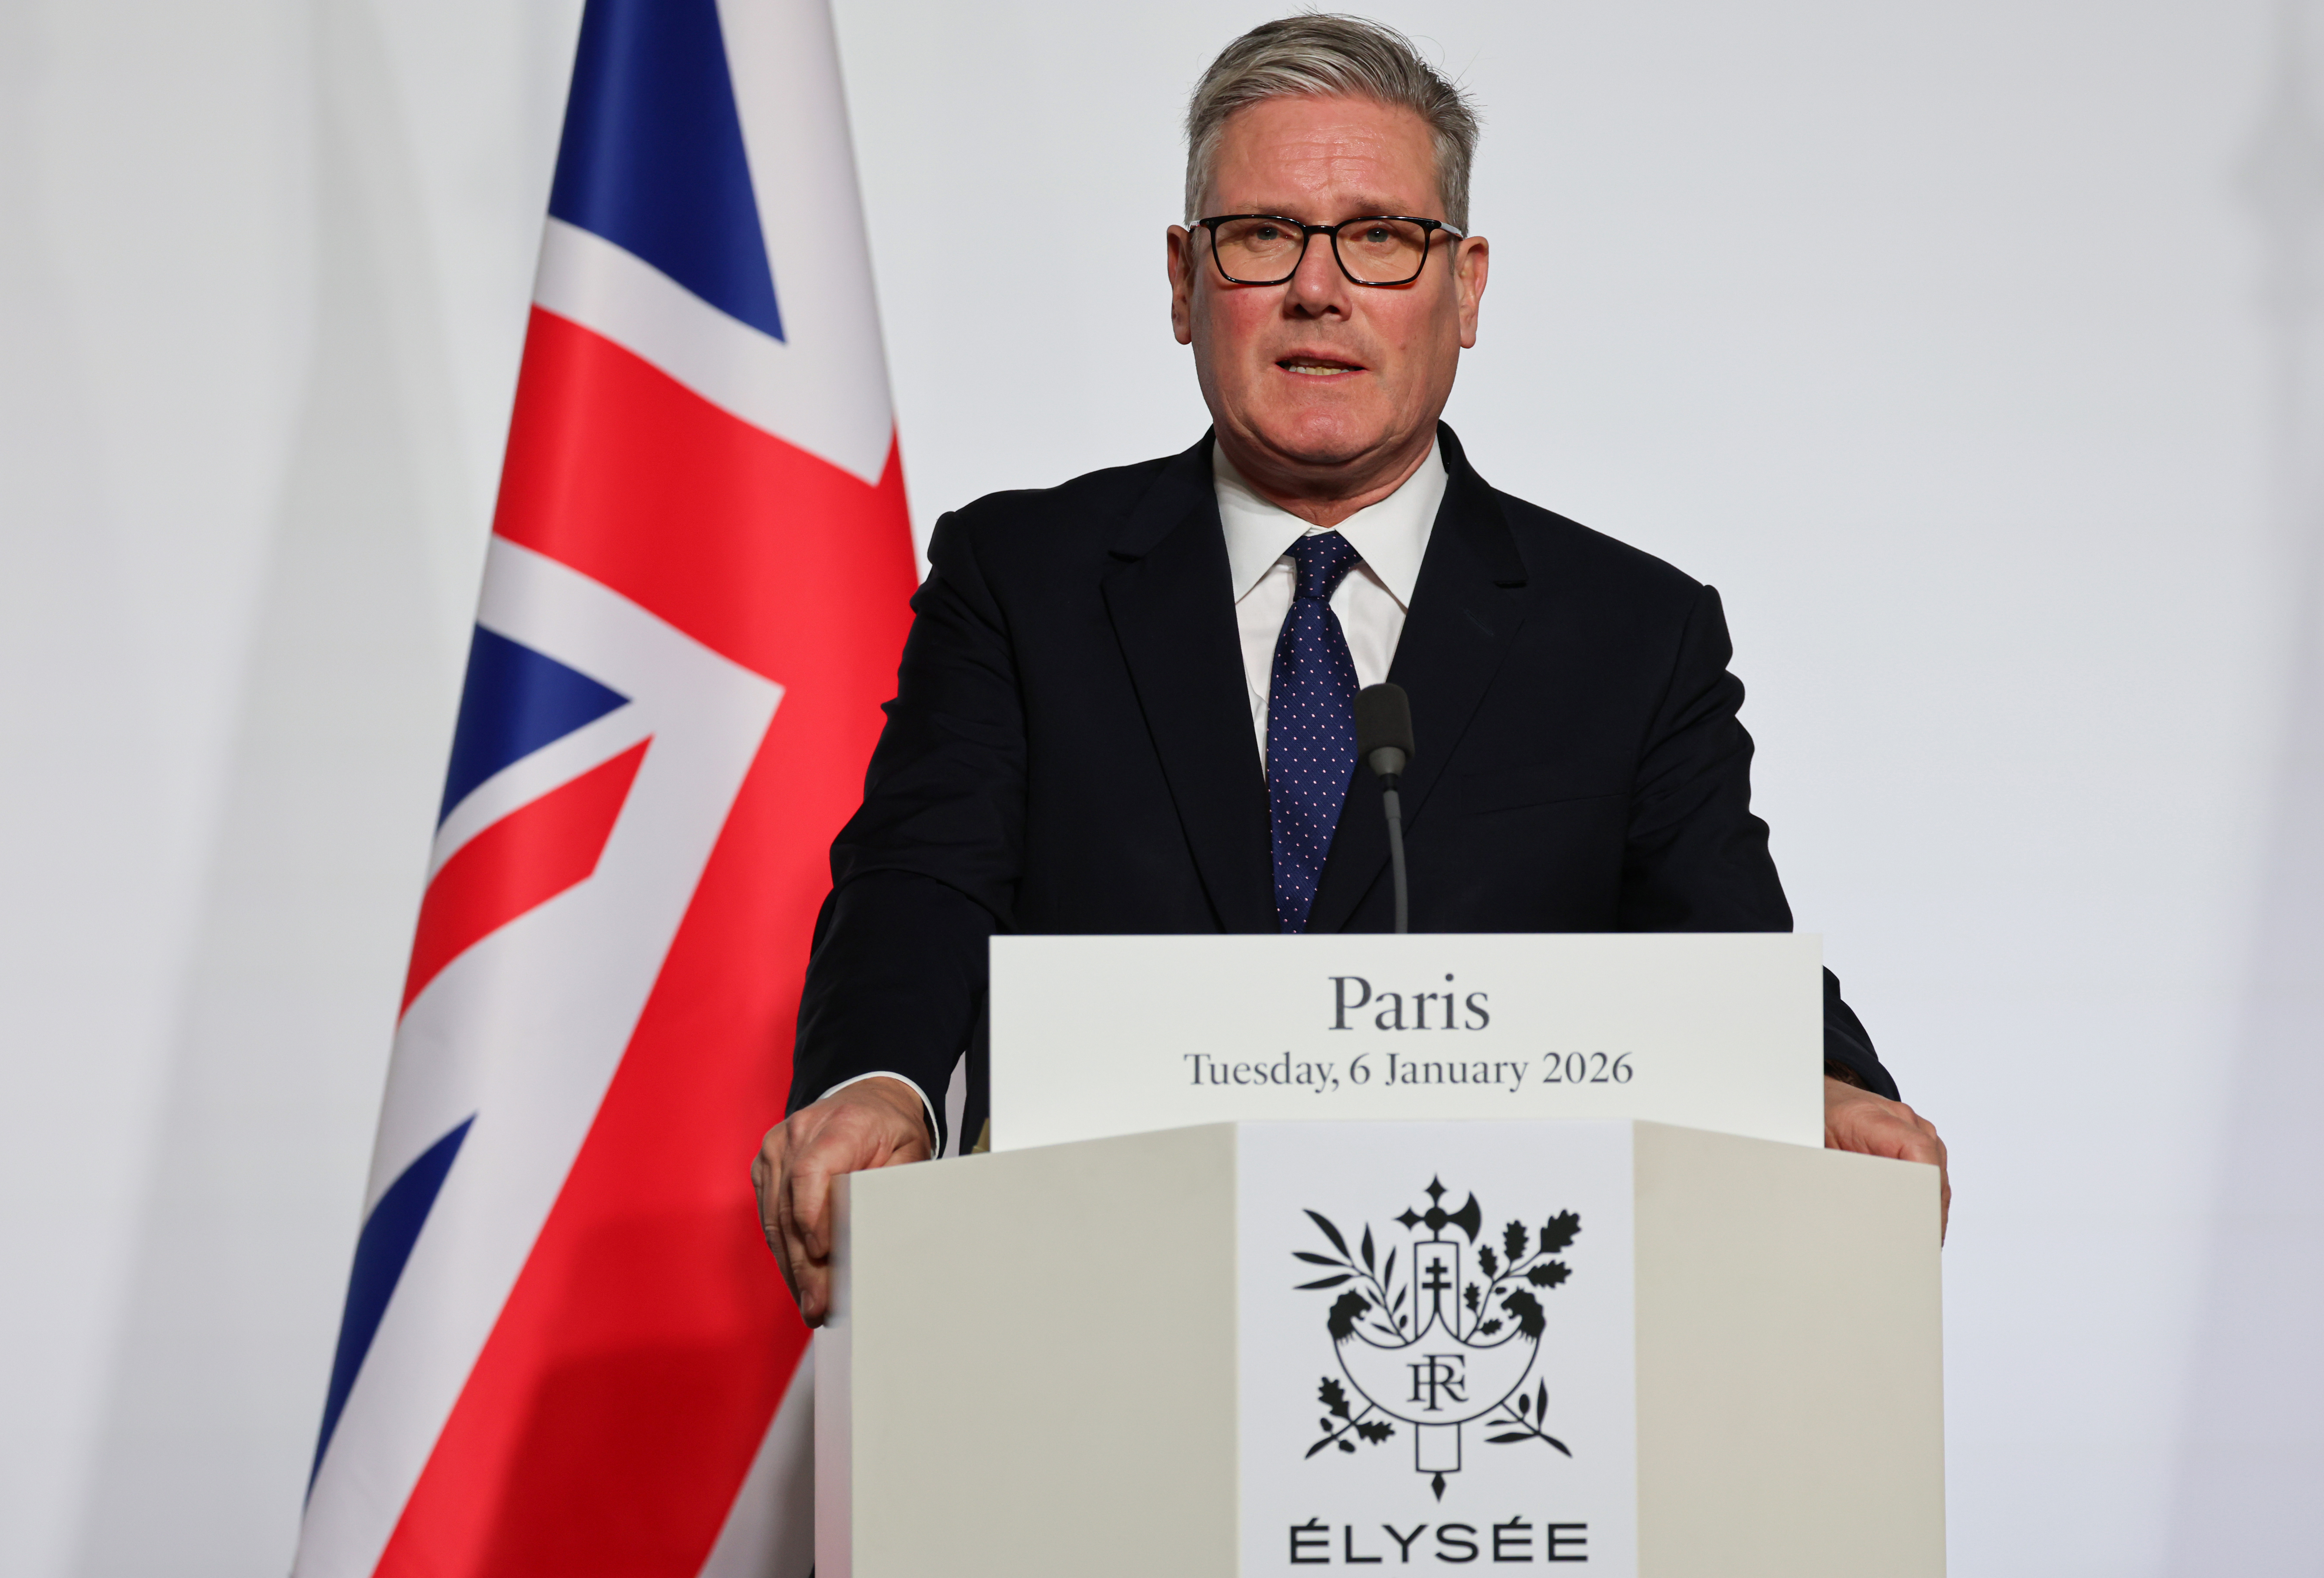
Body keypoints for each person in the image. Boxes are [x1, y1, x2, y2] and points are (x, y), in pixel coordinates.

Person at [755, 14, 1948, 1326]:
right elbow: (920, 879)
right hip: (1098, 1313)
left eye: (1380, 237)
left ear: (1467, 287)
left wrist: (1823, 1089)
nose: (1318, 289)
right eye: (1262, 234)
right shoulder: (1023, 579)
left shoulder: (1627, 630)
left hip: (1474, 1328)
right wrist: (882, 1084)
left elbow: (1720, 937)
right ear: (1181, 279)